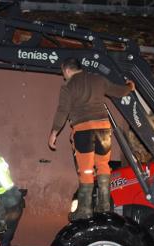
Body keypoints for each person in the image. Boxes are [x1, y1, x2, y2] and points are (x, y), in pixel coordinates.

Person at [48, 57, 135, 220]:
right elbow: (119, 91)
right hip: (103, 129)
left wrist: (54, 132)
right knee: (103, 166)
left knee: (86, 170)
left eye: (63, 73)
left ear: (67, 70)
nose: (63, 76)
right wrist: (130, 86)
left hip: (83, 130)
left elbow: (62, 110)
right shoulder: (98, 79)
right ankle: (104, 206)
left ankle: (85, 210)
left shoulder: (68, 86)